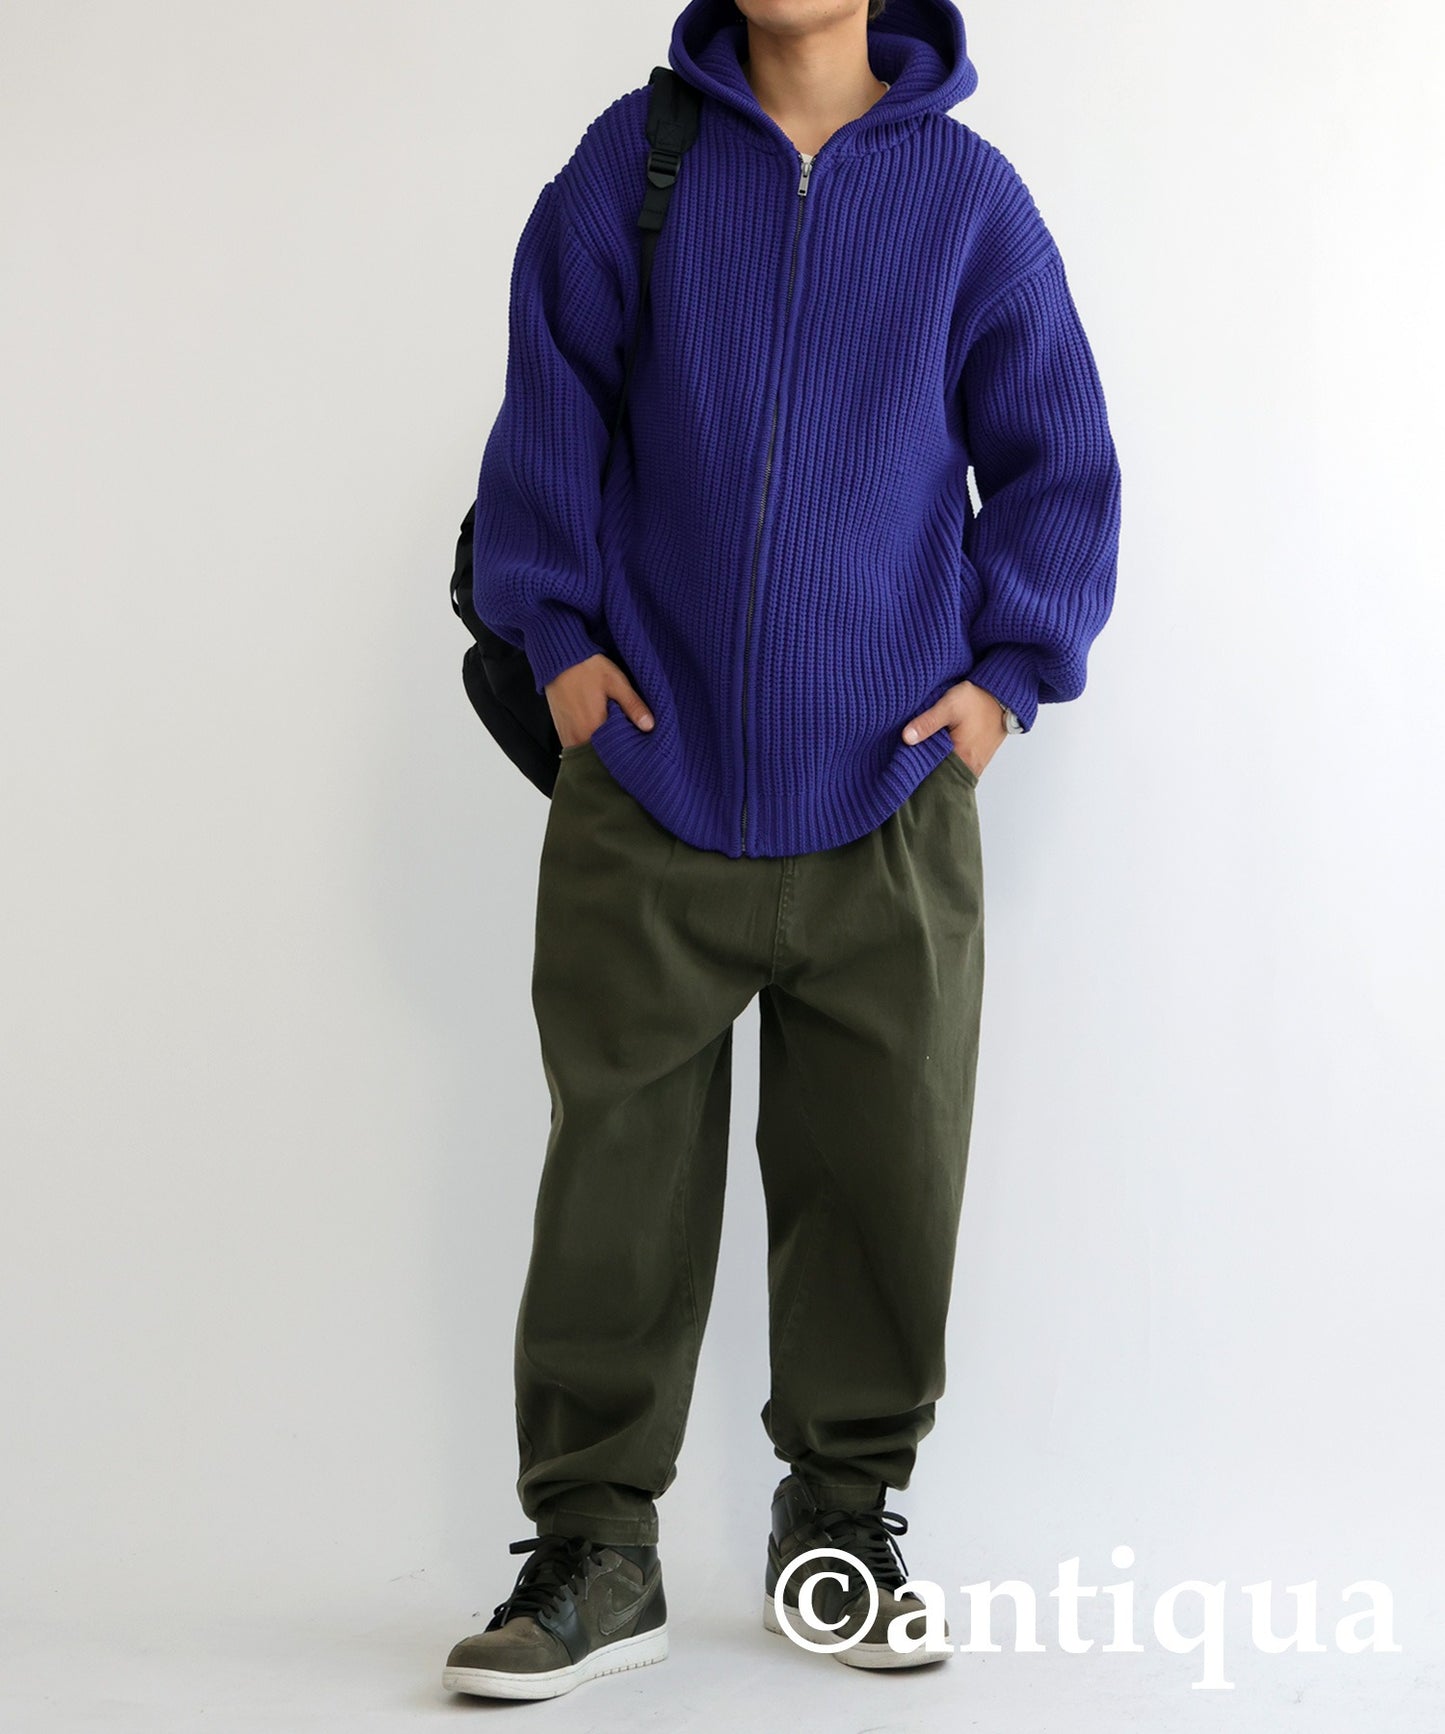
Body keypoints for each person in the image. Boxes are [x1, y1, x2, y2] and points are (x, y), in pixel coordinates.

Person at [443, 0, 1121, 1700]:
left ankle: (839, 1528)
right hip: (645, 782)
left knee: (883, 1177)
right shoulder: (633, 163)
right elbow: (548, 415)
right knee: (612, 1188)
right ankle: (595, 1549)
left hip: (888, 798)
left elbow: (1058, 463)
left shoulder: (965, 199)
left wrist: (1001, 683)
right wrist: (560, 649)